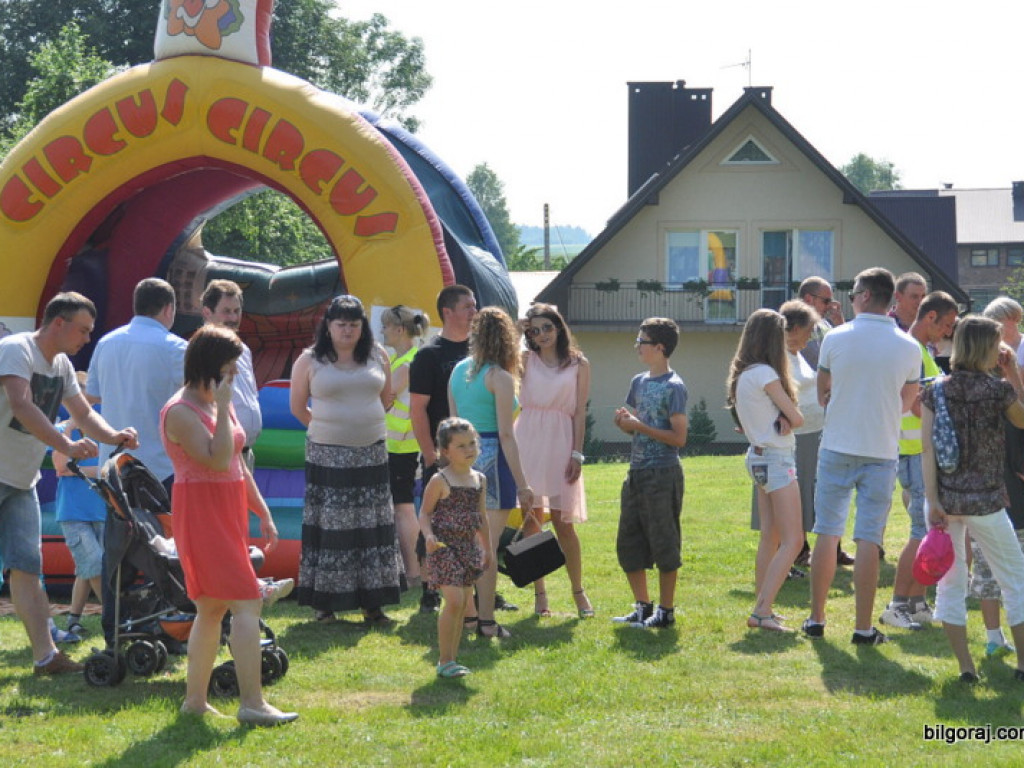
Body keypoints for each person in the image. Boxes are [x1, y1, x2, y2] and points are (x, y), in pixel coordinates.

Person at [160, 325, 296, 724]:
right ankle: (252, 703)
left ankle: (195, 702)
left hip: (227, 507)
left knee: (212, 608)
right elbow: (216, 459)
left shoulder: (220, 401)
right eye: (229, 367)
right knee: (245, 601)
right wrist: (221, 408)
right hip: (201, 513)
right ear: (208, 365)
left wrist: (262, 511)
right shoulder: (180, 411)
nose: (235, 374)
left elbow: (237, 461)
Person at [0, 292, 138, 675]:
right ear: (58, 323)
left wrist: (115, 436)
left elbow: (82, 413)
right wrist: (65, 444)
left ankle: (46, 658)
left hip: (20, 481)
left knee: (27, 568)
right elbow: (22, 403)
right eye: (83, 329)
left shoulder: (61, 364)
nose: (87, 338)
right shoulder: (16, 349)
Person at [803, 268, 921, 645]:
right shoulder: (908, 346)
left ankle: (816, 620)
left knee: (827, 533)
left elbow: (823, 391)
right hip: (882, 450)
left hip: (837, 444)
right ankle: (862, 627)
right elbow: (909, 401)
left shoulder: (835, 337)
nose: (850, 298)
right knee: (869, 538)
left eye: (853, 292)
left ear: (866, 296)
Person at [921, 314, 1024, 683]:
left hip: (946, 502)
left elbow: (928, 451)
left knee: (950, 585)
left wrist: (932, 500)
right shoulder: (997, 389)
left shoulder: (935, 389)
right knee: (1016, 579)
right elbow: (1023, 421)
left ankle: (966, 669)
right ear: (986, 347)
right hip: (986, 501)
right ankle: (1023, 666)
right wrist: (1011, 373)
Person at [289, 294, 402, 626]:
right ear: (328, 326)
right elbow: (298, 407)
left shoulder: (378, 355)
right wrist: (328, 428)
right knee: (331, 527)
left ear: (362, 326)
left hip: (372, 451)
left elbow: (387, 400)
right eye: (341, 324)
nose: (347, 330)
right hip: (326, 454)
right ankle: (325, 604)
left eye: (354, 324)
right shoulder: (309, 361)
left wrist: (361, 425)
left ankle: (374, 604)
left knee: (373, 526)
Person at [87, 277, 188, 645]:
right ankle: (166, 625)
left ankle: (114, 628)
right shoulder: (177, 348)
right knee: (166, 551)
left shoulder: (106, 343)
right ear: (168, 309)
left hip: (114, 467)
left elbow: (93, 395)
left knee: (117, 550)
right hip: (162, 466)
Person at [448, 306, 534, 639]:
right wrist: (524, 484)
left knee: (466, 545)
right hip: (492, 462)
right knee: (487, 547)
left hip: (459, 461)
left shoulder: (457, 371)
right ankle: (486, 621)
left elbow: (451, 426)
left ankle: (468, 618)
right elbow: (506, 434)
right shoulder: (498, 376)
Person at [879, 291, 958, 631]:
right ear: (931, 318)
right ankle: (896, 604)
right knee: (919, 532)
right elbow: (915, 405)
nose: (948, 332)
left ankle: (915, 602)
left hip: (916, 450)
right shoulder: (912, 350)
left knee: (928, 529)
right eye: (947, 325)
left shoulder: (919, 350)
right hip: (914, 452)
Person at [514, 303, 594, 618]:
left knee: (564, 524)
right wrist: (519, 330)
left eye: (547, 327)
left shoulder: (578, 363)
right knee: (532, 522)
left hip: (561, 441)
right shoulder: (524, 360)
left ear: (558, 327)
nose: (542, 334)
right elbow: (501, 358)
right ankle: (541, 595)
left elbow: (579, 412)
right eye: (535, 330)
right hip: (529, 440)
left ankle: (578, 592)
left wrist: (577, 452)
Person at [728, 309, 804, 632]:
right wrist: (789, 418)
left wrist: (783, 419)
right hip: (777, 460)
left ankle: (764, 605)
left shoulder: (744, 374)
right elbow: (797, 418)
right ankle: (762, 611)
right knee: (793, 540)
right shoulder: (766, 374)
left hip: (757, 458)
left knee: (770, 537)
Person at [611, 317, 688, 630]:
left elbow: (678, 438)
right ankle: (643, 607)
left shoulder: (675, 387)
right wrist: (626, 424)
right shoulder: (638, 382)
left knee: (664, 543)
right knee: (628, 542)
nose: (636, 347)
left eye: (641, 342)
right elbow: (640, 430)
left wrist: (639, 425)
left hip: (663, 473)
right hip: (637, 472)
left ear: (660, 347)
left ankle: (666, 611)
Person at [409, 285, 477, 613]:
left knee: (475, 521)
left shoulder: (482, 352)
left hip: (476, 453)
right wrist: (429, 453)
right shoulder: (428, 354)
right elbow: (418, 409)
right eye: (467, 306)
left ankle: (478, 589)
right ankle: (429, 589)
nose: (474, 312)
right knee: (435, 521)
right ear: (447, 312)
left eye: (474, 306)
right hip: (442, 455)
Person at [419, 417, 490, 678]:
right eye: (461, 446)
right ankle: (444, 660)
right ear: (445, 451)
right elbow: (424, 513)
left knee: (462, 605)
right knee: (456, 600)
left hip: (467, 549)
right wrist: (427, 536)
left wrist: (488, 549)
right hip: (443, 548)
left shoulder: (480, 480)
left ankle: (451, 659)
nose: (469, 449)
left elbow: (481, 518)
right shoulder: (440, 480)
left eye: (472, 443)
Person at [796, 276, 853, 567]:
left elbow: (847, 353)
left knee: (830, 483)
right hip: (803, 419)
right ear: (808, 299)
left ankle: (833, 548)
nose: (831, 305)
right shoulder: (794, 327)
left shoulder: (826, 327)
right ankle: (800, 548)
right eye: (826, 300)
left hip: (829, 417)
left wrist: (840, 320)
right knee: (802, 484)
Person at [52, 371, 106, 636]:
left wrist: (88, 470)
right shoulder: (62, 431)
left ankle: (73, 619)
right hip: (73, 512)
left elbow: (112, 468)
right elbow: (61, 468)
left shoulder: (102, 428)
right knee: (94, 564)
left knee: (86, 568)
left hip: (101, 509)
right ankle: (114, 617)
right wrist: (71, 428)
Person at [381, 304, 430, 591]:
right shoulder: (404, 358)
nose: (383, 331)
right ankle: (412, 571)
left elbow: (384, 399)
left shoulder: (408, 363)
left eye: (386, 327)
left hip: (400, 446)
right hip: (399, 445)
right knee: (402, 506)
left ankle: (413, 573)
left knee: (403, 508)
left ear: (400, 330)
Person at [200, 280, 261, 466]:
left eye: (237, 311)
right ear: (207, 312)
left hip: (246, 454)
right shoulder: (200, 353)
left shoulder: (243, 350)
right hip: (221, 455)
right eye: (226, 311)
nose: (233, 318)